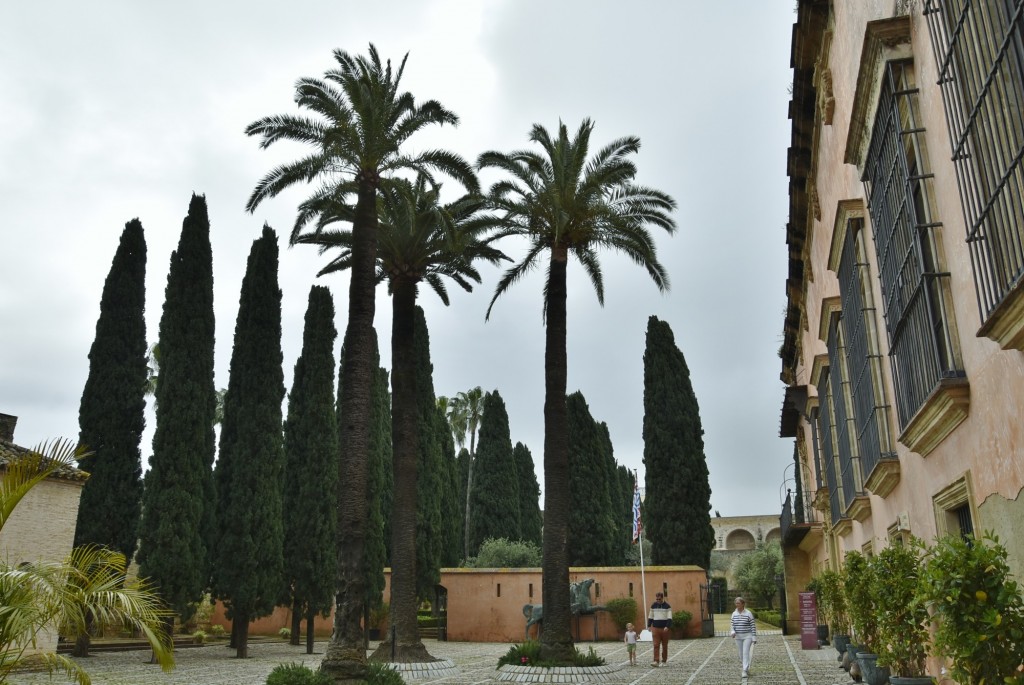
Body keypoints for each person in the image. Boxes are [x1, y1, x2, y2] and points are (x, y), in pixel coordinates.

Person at [729, 596, 757, 677]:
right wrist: (732, 631)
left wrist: (754, 637)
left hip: (747, 636)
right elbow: (732, 624)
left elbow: (752, 626)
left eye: (738, 603)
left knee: (745, 652)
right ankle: (746, 667)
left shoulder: (748, 613)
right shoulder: (734, 614)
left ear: (743, 604)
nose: (737, 604)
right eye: (736, 603)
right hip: (738, 636)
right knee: (741, 653)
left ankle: (744, 670)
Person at [647, 591, 672, 667]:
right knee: (656, 645)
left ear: (662, 598)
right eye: (657, 599)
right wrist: (649, 625)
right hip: (655, 628)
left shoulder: (667, 606)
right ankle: (656, 661)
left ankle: (664, 661)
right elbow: (650, 616)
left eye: (659, 599)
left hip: (664, 629)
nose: (658, 600)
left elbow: (669, 618)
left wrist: (667, 626)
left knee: (664, 645)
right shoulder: (653, 605)